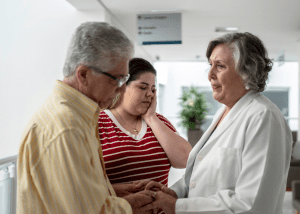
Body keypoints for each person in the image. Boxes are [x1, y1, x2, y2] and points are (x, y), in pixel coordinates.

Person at [142, 32, 293, 214]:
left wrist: (176, 206)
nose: (210, 75)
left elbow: (252, 204)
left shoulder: (263, 117)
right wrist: (172, 192)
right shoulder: (223, 112)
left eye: (220, 66)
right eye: (210, 65)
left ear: (247, 71)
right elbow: (200, 175)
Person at [17, 22, 156, 214]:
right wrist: (131, 205)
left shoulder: (78, 117)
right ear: (83, 74)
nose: (122, 89)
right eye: (115, 79)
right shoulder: (67, 127)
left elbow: (74, 196)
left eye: (124, 79)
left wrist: (113, 192)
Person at [98, 58, 192, 213]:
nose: (150, 94)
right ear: (122, 87)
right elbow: (82, 183)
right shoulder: (98, 123)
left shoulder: (159, 122)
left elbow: (185, 160)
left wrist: (150, 117)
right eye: (143, 87)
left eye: (153, 89)